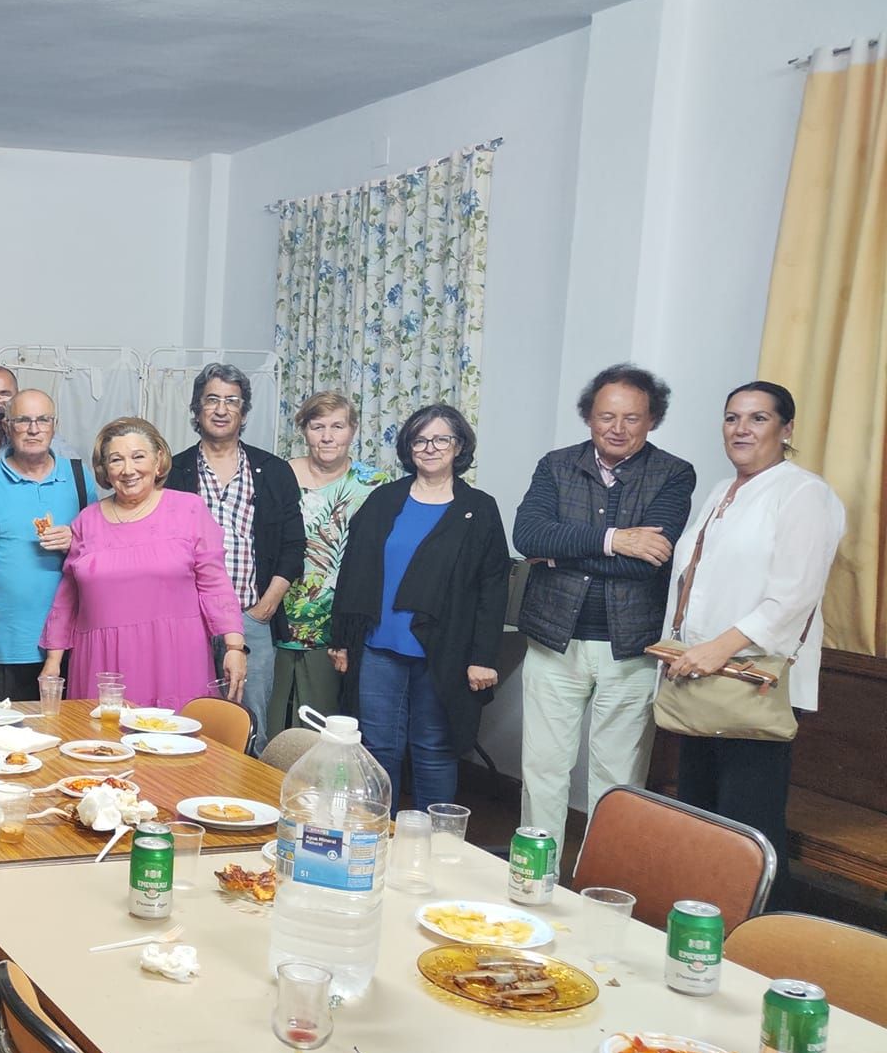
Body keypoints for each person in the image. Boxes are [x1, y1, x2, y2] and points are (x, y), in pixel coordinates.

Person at [661, 382, 845, 890]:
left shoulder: (805, 494)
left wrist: (715, 649)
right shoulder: (723, 491)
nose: (741, 429)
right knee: (701, 813)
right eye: (732, 418)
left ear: (787, 430)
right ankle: (698, 920)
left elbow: (794, 596)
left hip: (754, 680)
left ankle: (757, 937)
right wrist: (685, 652)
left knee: (748, 823)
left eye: (758, 419)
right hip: (702, 677)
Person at [514, 364, 696, 851]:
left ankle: (604, 878)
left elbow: (651, 563)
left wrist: (560, 555)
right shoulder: (556, 465)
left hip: (631, 647)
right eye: (606, 416)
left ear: (652, 420)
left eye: (632, 418)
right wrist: (617, 539)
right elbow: (527, 536)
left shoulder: (673, 474)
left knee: (617, 777)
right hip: (554, 639)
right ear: (588, 417)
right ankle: (535, 871)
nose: (617, 429)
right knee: (543, 767)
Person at [328, 404, 509, 812]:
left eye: (441, 439)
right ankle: (378, 836)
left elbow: (492, 587)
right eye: (420, 440)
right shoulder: (383, 499)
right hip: (379, 646)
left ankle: (434, 843)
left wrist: (484, 658)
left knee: (434, 748)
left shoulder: (478, 509)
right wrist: (342, 639)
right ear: (409, 448)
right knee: (377, 747)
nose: (430, 448)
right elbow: (353, 569)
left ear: (458, 445)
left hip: (444, 650)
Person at [38, 417, 246, 711]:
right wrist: (53, 661)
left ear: (158, 461)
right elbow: (67, 598)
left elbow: (215, 584)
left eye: (138, 457)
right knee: (99, 748)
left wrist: (234, 647)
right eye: (116, 460)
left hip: (175, 657)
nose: (128, 470)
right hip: (101, 662)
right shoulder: (87, 520)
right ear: (105, 471)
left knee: (174, 747)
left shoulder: (189, 509)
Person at [167, 362, 303, 747]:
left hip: (250, 619)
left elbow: (294, 545)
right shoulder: (174, 471)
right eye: (212, 400)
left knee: (249, 724)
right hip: (189, 619)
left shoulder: (273, 471)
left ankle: (247, 806)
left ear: (243, 411)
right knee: (188, 720)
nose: (222, 409)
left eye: (232, 401)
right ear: (197, 409)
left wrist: (267, 606)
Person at [0, 390, 90, 702]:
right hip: (5, 647)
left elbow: (103, 551)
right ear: (7, 427)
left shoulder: (80, 478)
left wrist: (76, 541)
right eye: (23, 421)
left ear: (54, 426)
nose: (33, 429)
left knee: (70, 738)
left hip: (71, 643)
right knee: (7, 743)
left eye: (42, 420)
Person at [272, 391, 387, 735]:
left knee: (323, 726)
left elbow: (378, 560)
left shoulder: (375, 485)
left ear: (353, 430)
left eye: (337, 426)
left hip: (337, 625)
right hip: (273, 613)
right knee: (268, 715)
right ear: (303, 430)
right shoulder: (278, 475)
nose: (327, 436)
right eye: (317, 426)